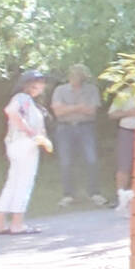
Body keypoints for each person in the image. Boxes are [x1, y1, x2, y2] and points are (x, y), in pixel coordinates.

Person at [0, 69, 52, 237]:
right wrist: (32, 134)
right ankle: (17, 224)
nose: (42, 86)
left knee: (12, 182)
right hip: (25, 144)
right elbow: (11, 112)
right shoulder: (22, 98)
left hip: (15, 144)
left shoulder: (26, 100)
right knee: (24, 182)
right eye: (40, 83)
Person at [51, 63, 101, 208]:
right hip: (64, 128)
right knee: (66, 161)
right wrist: (79, 107)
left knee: (91, 159)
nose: (76, 78)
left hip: (86, 127)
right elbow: (58, 112)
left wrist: (67, 108)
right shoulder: (60, 90)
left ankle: (94, 193)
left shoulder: (92, 90)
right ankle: (68, 195)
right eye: (74, 74)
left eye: (80, 75)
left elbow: (91, 111)